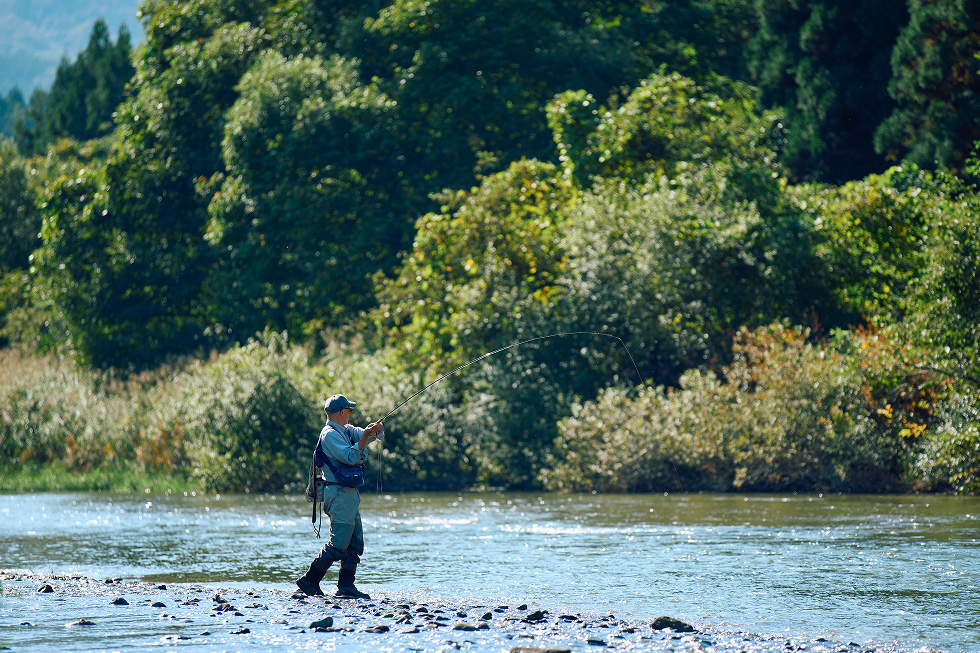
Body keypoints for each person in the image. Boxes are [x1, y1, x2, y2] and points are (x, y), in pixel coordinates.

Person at [296, 394, 384, 599]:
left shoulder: (346, 430)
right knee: (338, 544)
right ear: (342, 412)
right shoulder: (330, 435)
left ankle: (345, 586)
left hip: (349, 494)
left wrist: (374, 432)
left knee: (355, 543)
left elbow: (363, 435)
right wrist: (364, 438)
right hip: (337, 493)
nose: (351, 414)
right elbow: (352, 457)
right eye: (350, 410)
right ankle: (310, 580)